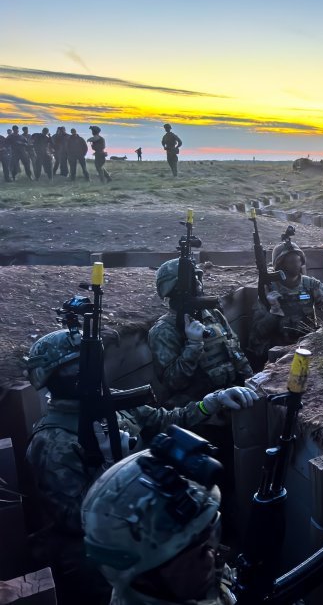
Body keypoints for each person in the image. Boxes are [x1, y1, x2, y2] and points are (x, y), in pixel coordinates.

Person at [23, 328, 257, 604]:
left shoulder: (111, 401)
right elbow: (77, 520)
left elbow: (166, 420)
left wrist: (210, 404)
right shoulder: (51, 441)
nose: (90, 371)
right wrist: (111, 466)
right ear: (56, 377)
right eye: (77, 366)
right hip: (110, 555)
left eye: (90, 361)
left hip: (156, 513)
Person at [82, 435, 235, 604]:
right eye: (198, 552)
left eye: (211, 536)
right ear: (143, 576)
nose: (212, 556)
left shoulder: (188, 582)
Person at [148, 259, 253, 408]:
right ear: (174, 289)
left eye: (198, 277)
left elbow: (237, 353)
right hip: (197, 409)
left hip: (232, 395)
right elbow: (173, 382)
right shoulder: (163, 331)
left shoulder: (213, 314)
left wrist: (250, 381)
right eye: (192, 280)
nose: (198, 283)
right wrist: (193, 345)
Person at [247, 241, 323, 368]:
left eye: (297, 260)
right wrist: (273, 311)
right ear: (280, 264)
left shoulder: (310, 284)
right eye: (290, 261)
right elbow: (257, 333)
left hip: (308, 343)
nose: (296, 264)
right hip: (280, 348)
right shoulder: (269, 289)